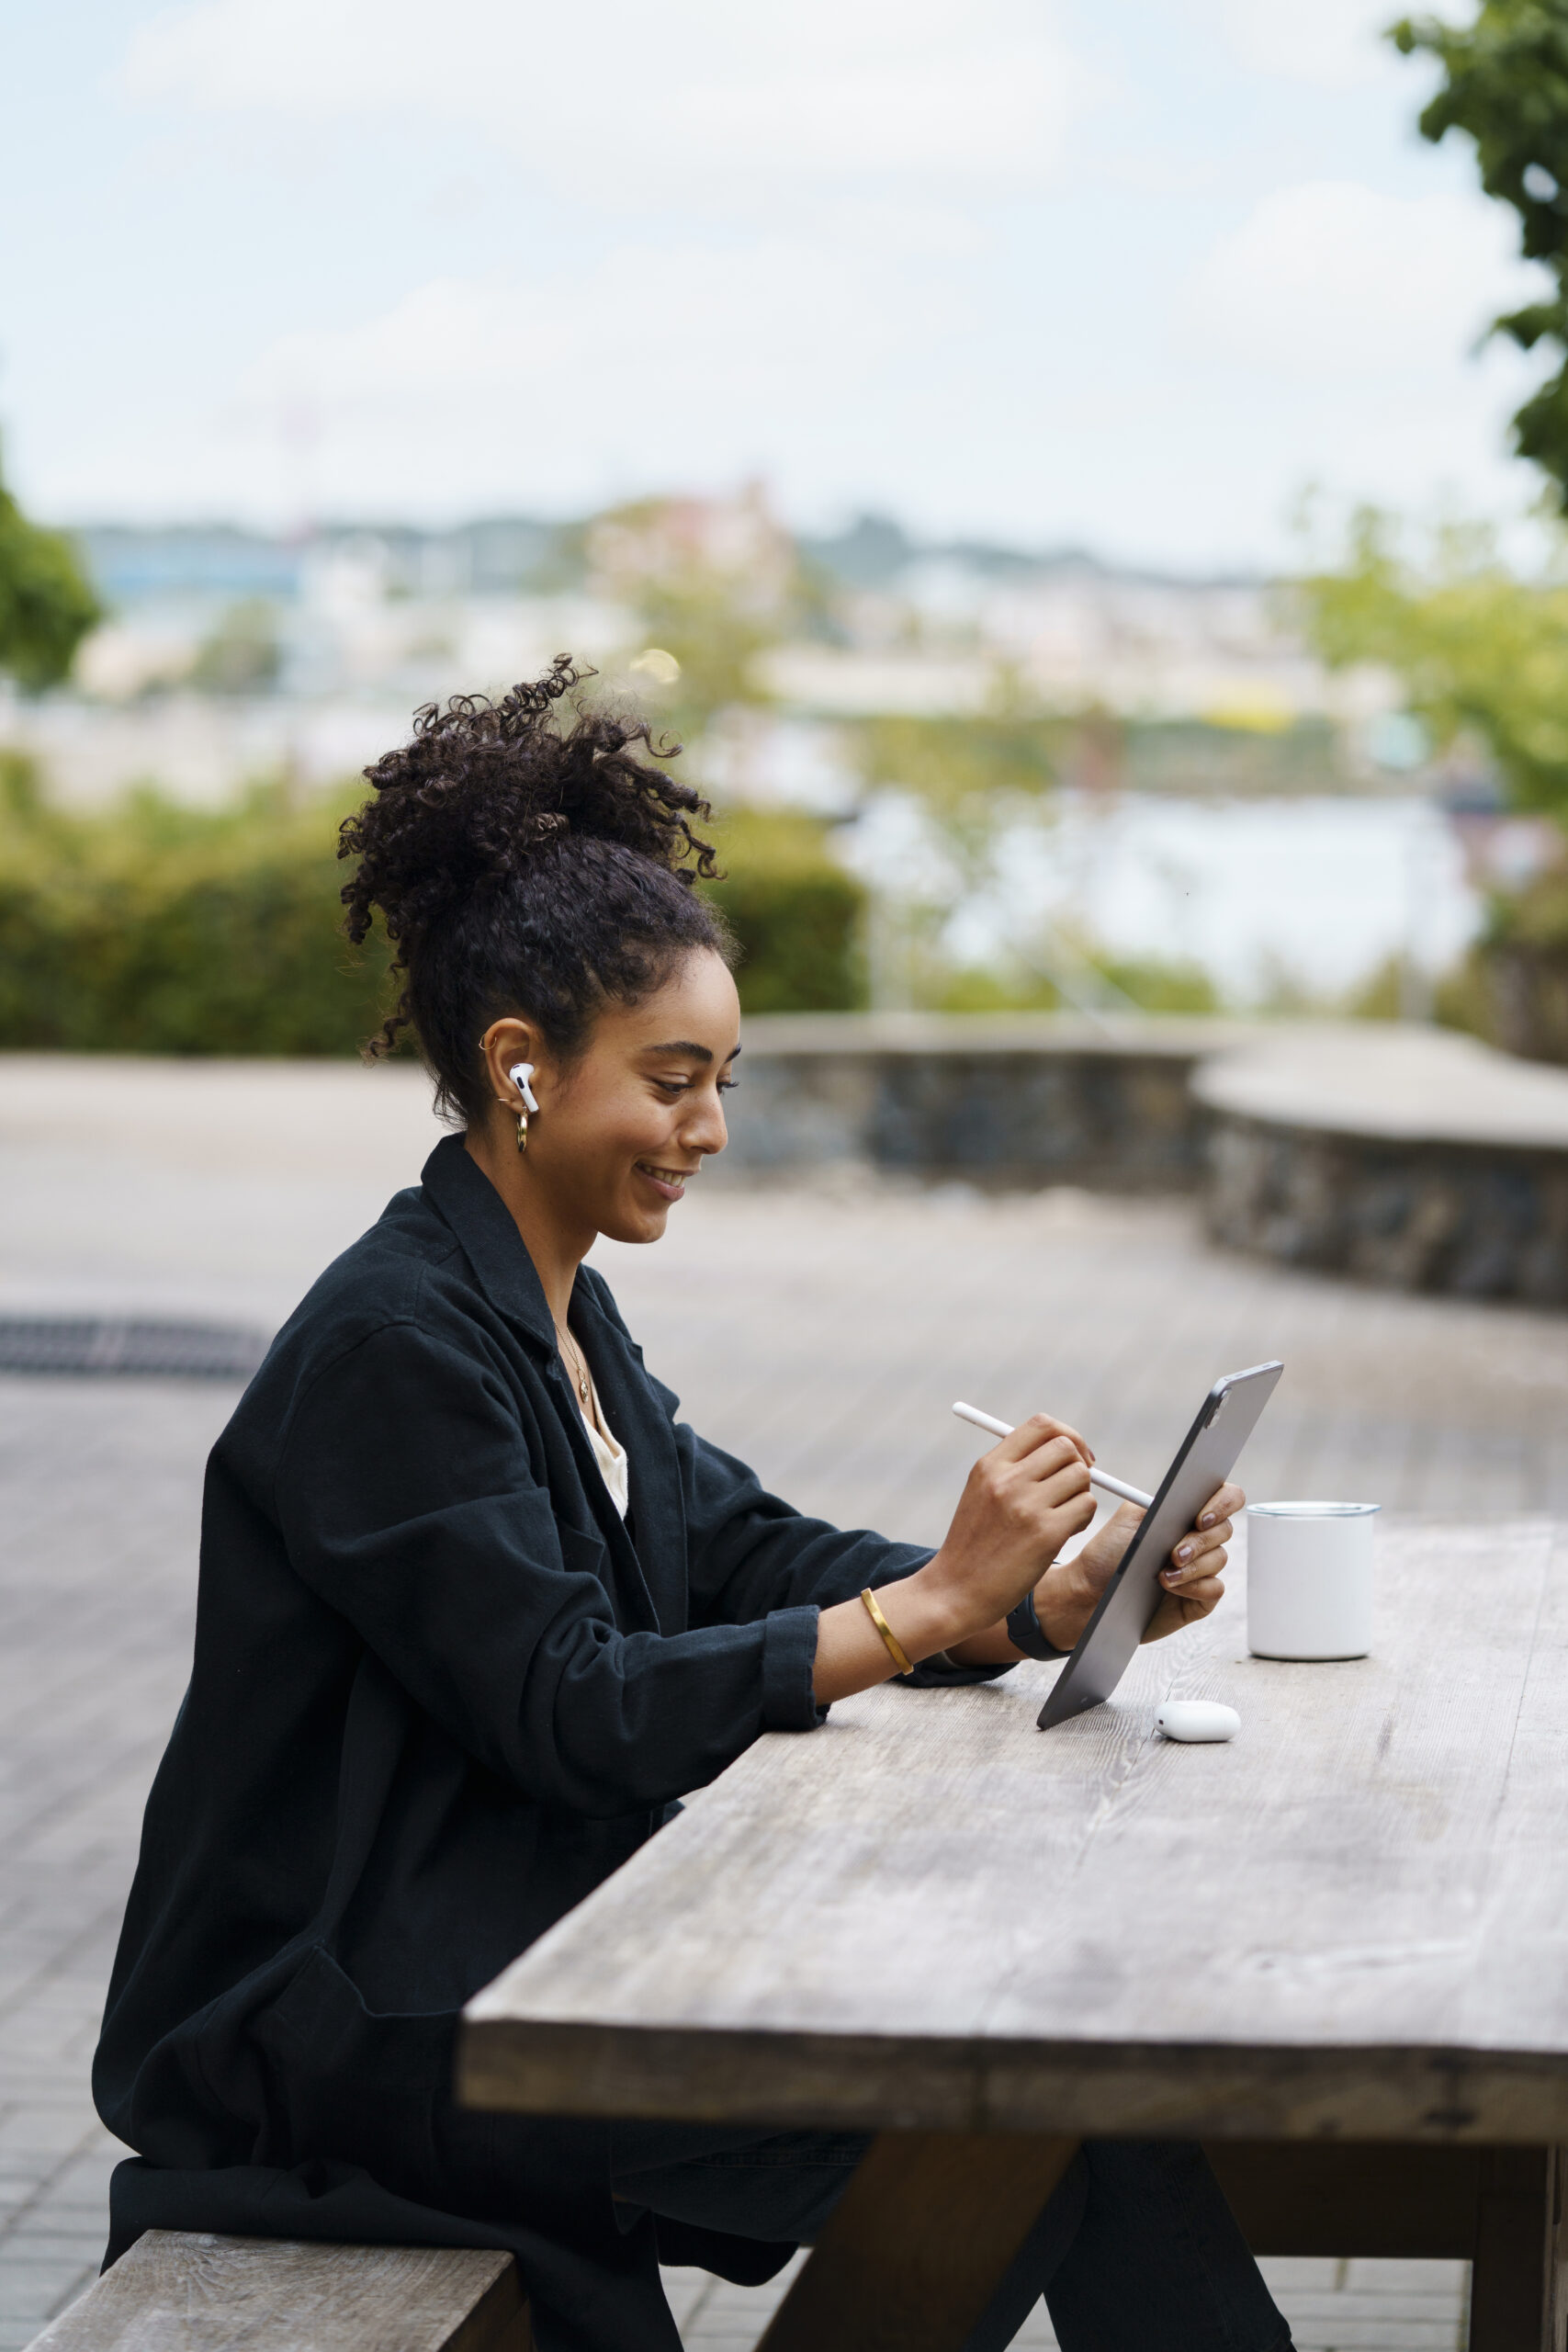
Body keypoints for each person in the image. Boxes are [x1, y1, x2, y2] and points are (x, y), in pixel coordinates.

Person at [94, 661, 1289, 2352]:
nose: (710, 1129)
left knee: (1056, 2100)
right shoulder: (393, 1346)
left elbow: (737, 1548)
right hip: (345, 2025)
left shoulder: (553, 1310)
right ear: (520, 1069)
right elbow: (570, 1705)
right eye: (671, 1080)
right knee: (1025, 2117)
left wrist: (1037, 1602)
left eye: (724, 1079)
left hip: (518, 1971)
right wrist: (929, 1608)